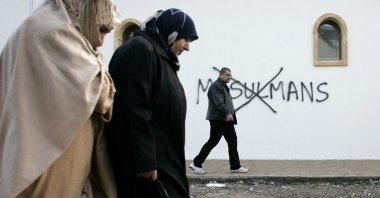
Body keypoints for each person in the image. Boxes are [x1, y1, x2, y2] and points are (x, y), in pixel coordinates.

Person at [0, 0, 119, 197]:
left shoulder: (39, 25)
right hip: (46, 163)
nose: (101, 41)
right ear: (88, 14)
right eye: (102, 30)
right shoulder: (55, 33)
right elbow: (102, 96)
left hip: (36, 155)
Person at [105, 8, 198, 198]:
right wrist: (145, 161)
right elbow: (133, 106)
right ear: (172, 32)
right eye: (186, 39)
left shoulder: (160, 57)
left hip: (165, 165)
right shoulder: (139, 49)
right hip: (149, 173)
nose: (187, 47)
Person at [190, 67, 248, 174]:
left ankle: (235, 166)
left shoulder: (223, 86)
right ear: (221, 75)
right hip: (219, 119)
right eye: (227, 75)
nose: (229, 77)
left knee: (232, 141)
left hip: (227, 120)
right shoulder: (216, 86)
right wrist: (227, 113)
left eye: (230, 75)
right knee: (213, 141)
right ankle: (196, 163)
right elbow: (218, 102)